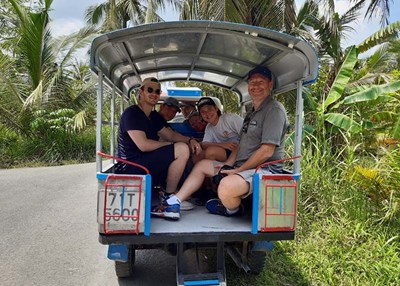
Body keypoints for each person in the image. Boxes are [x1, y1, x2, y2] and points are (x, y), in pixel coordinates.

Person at [151, 66, 289, 220]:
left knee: (225, 186)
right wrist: (229, 165)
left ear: (270, 84)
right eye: (252, 82)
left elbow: (267, 151)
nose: (256, 86)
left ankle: (232, 209)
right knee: (201, 165)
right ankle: (173, 202)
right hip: (240, 166)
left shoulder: (274, 110)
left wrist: (238, 170)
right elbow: (241, 143)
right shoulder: (251, 114)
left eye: (261, 82)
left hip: (263, 170)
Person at [115, 77, 202, 211]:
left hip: (144, 161)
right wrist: (169, 145)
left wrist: (190, 140)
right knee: (181, 150)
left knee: (183, 148)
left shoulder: (153, 116)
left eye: (157, 91)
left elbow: (171, 135)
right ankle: (168, 197)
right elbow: (143, 145)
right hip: (131, 166)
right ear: (141, 92)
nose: (154, 93)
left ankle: (172, 192)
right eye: (150, 90)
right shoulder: (132, 113)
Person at [196, 97, 243, 162]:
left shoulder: (230, 119)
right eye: (203, 112)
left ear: (216, 108)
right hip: (226, 151)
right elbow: (204, 144)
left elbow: (249, 134)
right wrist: (223, 145)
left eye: (209, 109)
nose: (207, 114)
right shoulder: (209, 127)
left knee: (211, 152)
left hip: (240, 150)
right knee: (197, 154)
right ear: (201, 115)